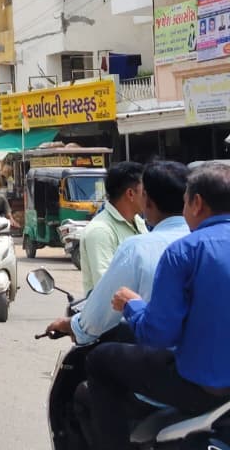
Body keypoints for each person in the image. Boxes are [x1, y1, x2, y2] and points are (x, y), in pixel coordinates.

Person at [85, 163, 230, 449]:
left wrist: (132, 305)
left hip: (203, 387)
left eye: (186, 200)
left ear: (197, 203)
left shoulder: (184, 251)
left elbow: (158, 334)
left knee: (99, 360)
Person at [45, 160, 189, 344]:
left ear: (148, 200)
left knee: (97, 360)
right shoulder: (102, 230)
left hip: (146, 340)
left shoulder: (137, 244)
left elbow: (110, 298)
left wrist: (75, 327)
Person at [80, 160, 146, 294]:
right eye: (144, 192)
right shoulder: (100, 231)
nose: (148, 197)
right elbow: (107, 287)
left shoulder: (138, 221)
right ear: (130, 194)